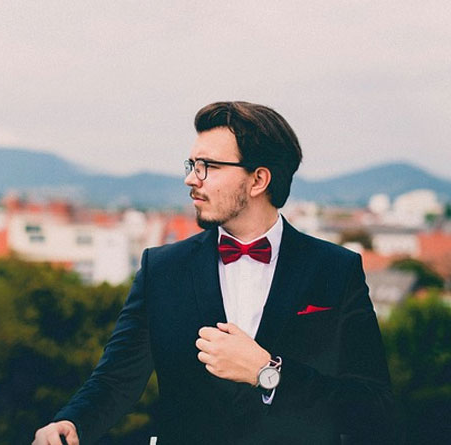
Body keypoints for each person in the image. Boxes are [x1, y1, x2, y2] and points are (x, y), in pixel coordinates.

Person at [33, 101, 393, 445]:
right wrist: (71, 423)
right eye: (191, 165)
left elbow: (373, 408)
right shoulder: (162, 270)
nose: (191, 179)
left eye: (208, 166)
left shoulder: (336, 270)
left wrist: (268, 373)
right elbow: (115, 380)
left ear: (258, 180)